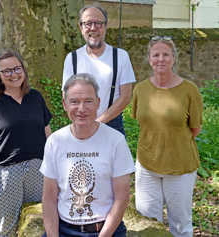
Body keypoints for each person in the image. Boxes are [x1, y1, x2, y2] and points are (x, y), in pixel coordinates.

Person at [40, 73, 135, 237]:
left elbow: (122, 198)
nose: (81, 109)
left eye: (88, 101)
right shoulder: (55, 142)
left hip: (106, 230)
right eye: (74, 102)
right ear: (64, 104)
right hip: (64, 230)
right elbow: (49, 198)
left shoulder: (116, 141)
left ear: (98, 103)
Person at [0, 49, 52, 236]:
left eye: (17, 68)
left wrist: (54, 164)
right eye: (6, 71)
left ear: (23, 70)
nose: (13, 74)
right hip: (6, 173)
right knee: (6, 227)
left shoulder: (35, 97)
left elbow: (47, 132)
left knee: (39, 222)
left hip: (38, 168)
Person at [131, 36, 203, 237]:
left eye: (166, 54)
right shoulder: (140, 89)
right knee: (147, 222)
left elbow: (195, 129)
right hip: (146, 165)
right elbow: (143, 121)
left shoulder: (189, 90)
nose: (160, 59)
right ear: (149, 58)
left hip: (180, 166)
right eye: (156, 54)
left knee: (180, 225)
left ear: (174, 58)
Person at [62, 5, 136, 135]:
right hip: (81, 124)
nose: (93, 28)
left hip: (112, 125)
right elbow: (66, 96)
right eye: (88, 23)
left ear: (106, 26)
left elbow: (125, 97)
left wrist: (98, 123)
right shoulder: (72, 58)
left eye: (98, 23)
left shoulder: (120, 56)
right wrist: (82, 123)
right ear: (81, 27)